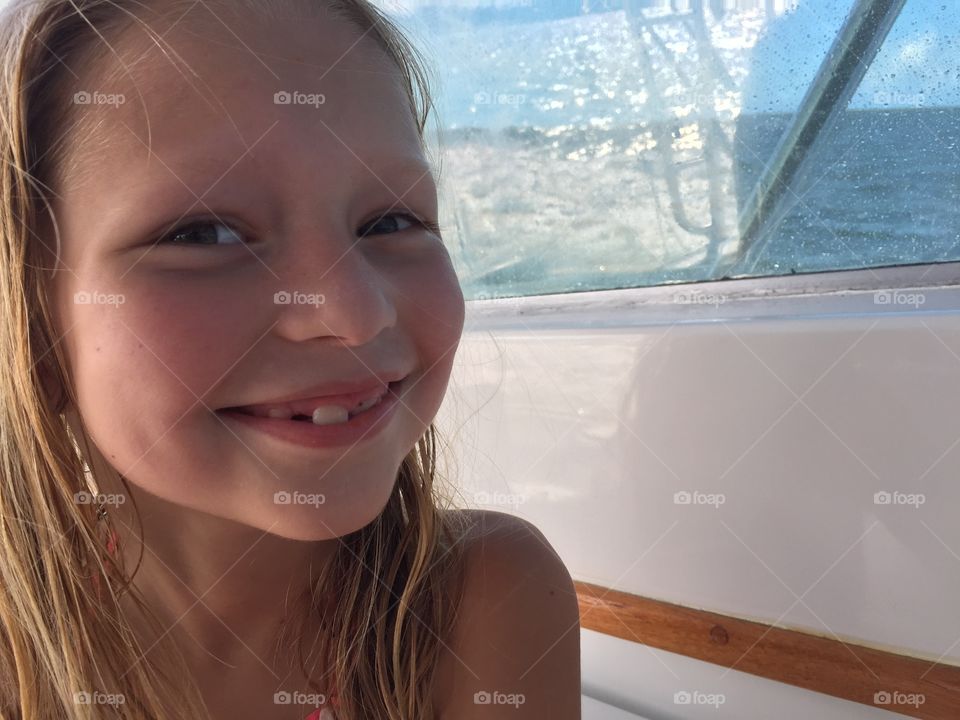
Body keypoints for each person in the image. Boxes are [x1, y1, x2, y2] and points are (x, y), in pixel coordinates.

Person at [0, 0, 581, 717]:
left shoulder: (485, 597)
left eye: (392, 221)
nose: (353, 313)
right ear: (32, 326)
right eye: (205, 234)